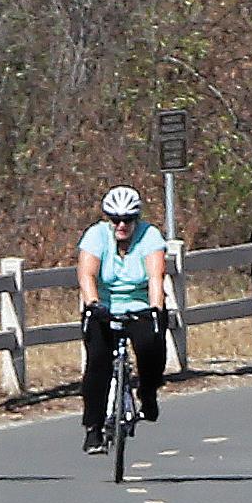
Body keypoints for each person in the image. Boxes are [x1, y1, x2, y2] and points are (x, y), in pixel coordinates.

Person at [77, 184, 172, 453]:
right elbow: (86, 275)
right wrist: (93, 303)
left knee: (151, 345)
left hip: (139, 305)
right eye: (115, 219)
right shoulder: (96, 236)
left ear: (136, 219)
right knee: (97, 363)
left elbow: (155, 277)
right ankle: (93, 428)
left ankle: (148, 392)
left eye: (127, 220)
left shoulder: (149, 236)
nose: (121, 225)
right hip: (103, 306)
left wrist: (155, 309)